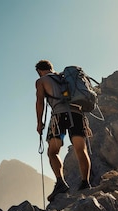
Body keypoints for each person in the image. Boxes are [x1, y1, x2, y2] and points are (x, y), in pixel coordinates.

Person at [35, 59, 91, 202]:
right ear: (51, 68)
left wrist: (39, 122)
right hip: (78, 115)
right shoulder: (65, 78)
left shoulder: (42, 81)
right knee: (81, 149)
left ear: (40, 71)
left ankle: (60, 183)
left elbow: (40, 101)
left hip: (60, 116)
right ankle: (85, 183)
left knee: (52, 152)